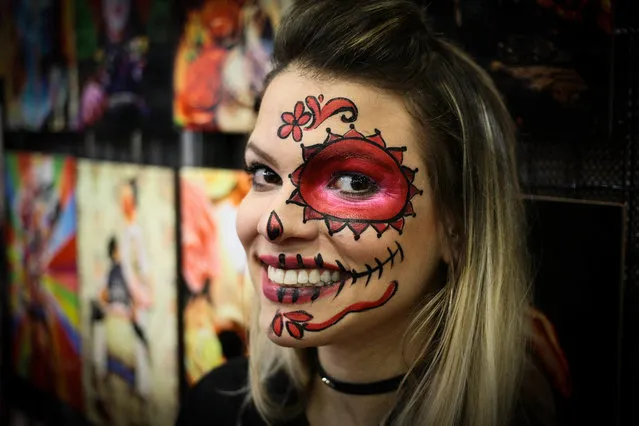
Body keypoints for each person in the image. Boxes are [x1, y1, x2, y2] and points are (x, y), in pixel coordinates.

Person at [176, 1, 556, 425]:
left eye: (354, 182)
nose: (273, 222)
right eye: (265, 174)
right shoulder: (214, 409)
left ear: (459, 227)